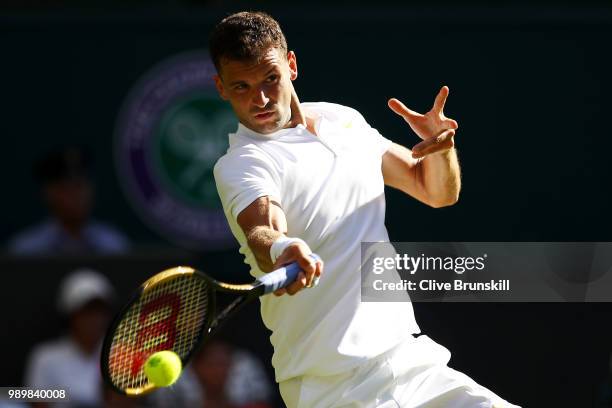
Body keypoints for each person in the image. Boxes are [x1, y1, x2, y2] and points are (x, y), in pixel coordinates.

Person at [210, 11, 519, 407]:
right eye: (241, 86)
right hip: (332, 388)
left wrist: (442, 149)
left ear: (291, 65)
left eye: (270, 78)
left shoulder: (344, 121)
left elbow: (435, 191)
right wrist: (282, 247)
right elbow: (261, 227)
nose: (262, 99)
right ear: (221, 87)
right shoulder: (242, 164)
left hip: (409, 361)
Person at [8, 147, 129, 255]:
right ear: (49, 193)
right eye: (67, 188)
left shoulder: (114, 245)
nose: (77, 196)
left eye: (80, 186)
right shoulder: (26, 250)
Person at [24, 269, 116, 408]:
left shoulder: (121, 355)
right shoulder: (45, 356)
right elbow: (32, 399)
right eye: (86, 312)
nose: (95, 319)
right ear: (71, 315)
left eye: (100, 311)